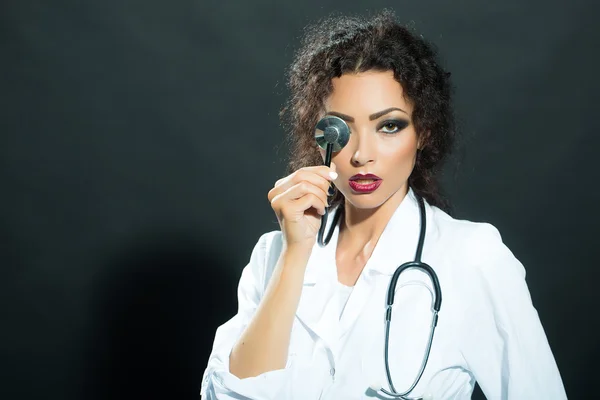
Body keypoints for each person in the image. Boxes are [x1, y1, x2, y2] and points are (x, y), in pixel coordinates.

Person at [200, 10, 566, 399]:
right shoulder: (274, 254)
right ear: (319, 136)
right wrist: (295, 254)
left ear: (423, 131)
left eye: (389, 126)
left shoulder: (473, 258)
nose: (361, 155)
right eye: (340, 129)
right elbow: (227, 395)